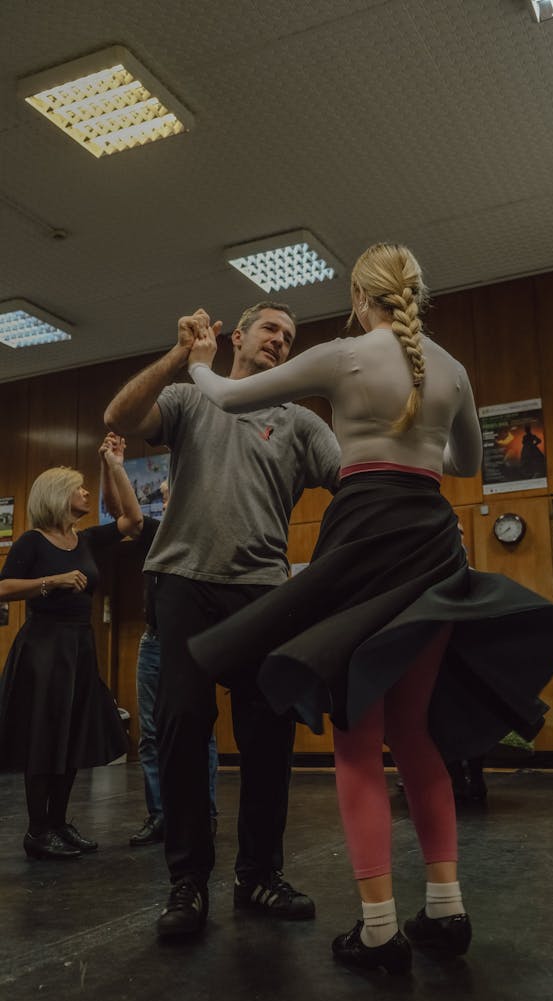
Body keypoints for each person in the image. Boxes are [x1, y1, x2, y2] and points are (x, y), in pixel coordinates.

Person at [184, 243, 553, 974]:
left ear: (360, 298)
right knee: (415, 733)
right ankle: (447, 911)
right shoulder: (453, 370)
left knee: (357, 739)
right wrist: (418, 436)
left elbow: (232, 398)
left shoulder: (344, 356)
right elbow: (467, 464)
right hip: (430, 538)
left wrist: (201, 363)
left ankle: (378, 929)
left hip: (365, 535)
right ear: (416, 295)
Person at [103, 301, 341, 938]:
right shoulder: (190, 397)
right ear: (238, 336)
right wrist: (181, 355)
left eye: (289, 336)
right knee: (182, 726)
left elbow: (353, 480)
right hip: (183, 582)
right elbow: (119, 416)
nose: (281, 341)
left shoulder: (300, 423)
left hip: (262, 593)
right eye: (270, 329)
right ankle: (187, 883)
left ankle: (259, 875)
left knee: (269, 736)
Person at [0, 436, 143, 860]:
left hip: (79, 648)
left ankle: (58, 823)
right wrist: (52, 581)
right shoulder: (31, 542)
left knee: (72, 736)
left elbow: (133, 519)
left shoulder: (87, 540)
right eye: (78, 487)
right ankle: (37, 830)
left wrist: (112, 464)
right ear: (58, 495)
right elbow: (3, 587)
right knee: (43, 738)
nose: (85, 492)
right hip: (43, 651)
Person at [100, 464, 219, 847]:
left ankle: (206, 814)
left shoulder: (205, 534)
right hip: (154, 642)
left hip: (194, 643)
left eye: (169, 496)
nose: (164, 503)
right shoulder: (156, 533)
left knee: (201, 731)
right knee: (151, 734)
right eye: (163, 497)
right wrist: (113, 466)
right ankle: (161, 815)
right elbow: (125, 512)